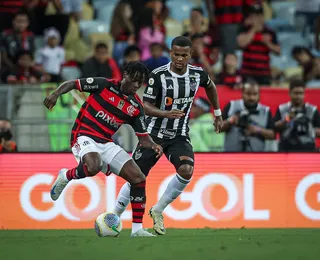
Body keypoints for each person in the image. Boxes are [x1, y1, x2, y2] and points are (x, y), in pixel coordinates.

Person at [113, 36, 223, 235]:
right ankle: (114, 216)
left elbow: (211, 86)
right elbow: (146, 106)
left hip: (179, 135)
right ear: (170, 53)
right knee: (136, 177)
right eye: (176, 54)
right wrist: (166, 113)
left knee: (186, 170)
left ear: (190, 55)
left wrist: (217, 113)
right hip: (153, 134)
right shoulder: (158, 75)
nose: (180, 59)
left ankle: (158, 210)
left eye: (184, 55)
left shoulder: (198, 74)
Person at [43, 61, 163, 237]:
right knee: (93, 166)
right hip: (83, 134)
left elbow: (143, 137)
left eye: (141, 82)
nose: (137, 85)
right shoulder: (103, 85)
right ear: (125, 76)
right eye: (134, 80)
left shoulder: (136, 107)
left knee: (138, 178)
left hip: (105, 142)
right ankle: (66, 175)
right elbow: (72, 84)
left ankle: (137, 230)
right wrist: (55, 94)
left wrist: (153, 145)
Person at [221, 80, 275, 152]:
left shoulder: (265, 111)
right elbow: (218, 128)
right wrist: (230, 121)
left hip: (256, 157)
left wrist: (257, 130)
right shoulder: (231, 106)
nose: (251, 97)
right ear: (242, 93)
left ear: (259, 95)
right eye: (248, 94)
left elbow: (272, 135)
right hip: (232, 156)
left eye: (255, 94)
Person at [274, 79, 320, 152]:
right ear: (289, 93)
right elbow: (273, 128)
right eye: (295, 93)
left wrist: (308, 126)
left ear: (304, 94)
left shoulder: (312, 110)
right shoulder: (282, 109)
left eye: (301, 93)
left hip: (308, 151)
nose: (298, 96)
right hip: (286, 151)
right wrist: (287, 119)